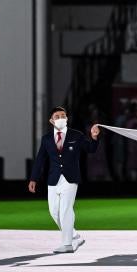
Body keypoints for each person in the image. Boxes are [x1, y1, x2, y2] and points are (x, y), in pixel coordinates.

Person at [29, 106, 100, 253]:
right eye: (57, 116)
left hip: (70, 179)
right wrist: (33, 178)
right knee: (54, 211)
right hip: (53, 179)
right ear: (51, 120)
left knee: (65, 210)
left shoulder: (76, 135)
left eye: (63, 116)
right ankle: (75, 236)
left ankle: (67, 244)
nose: (61, 118)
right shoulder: (47, 139)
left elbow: (91, 149)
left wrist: (93, 137)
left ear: (67, 118)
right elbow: (40, 159)